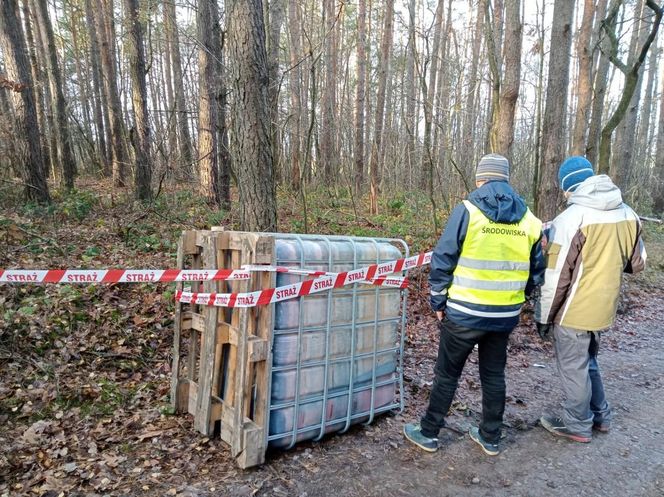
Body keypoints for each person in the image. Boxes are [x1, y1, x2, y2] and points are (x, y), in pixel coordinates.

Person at [403, 153, 545, 455]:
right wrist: (519, 299)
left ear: (481, 178)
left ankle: (429, 432)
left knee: (447, 374)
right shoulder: (530, 219)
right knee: (493, 375)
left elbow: (443, 258)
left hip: (464, 314)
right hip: (505, 315)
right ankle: (491, 437)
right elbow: (537, 270)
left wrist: (438, 300)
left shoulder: (468, 210)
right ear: (506, 178)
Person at [536, 156, 646, 442]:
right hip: (605, 306)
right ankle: (600, 415)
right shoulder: (628, 214)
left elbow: (555, 276)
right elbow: (638, 263)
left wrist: (544, 317)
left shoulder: (570, 219)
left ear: (569, 187)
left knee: (573, 365)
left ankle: (577, 423)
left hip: (574, 308)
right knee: (589, 361)